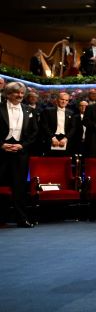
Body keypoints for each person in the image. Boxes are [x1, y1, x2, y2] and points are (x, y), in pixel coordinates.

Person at [0, 82, 38, 228]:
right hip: (1, 152)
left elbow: (34, 132)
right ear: (8, 94)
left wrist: (22, 145)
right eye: (17, 92)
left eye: (22, 93)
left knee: (19, 187)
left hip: (20, 153)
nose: (20, 95)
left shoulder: (29, 110)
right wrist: (1, 145)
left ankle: (22, 219)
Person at [39, 92, 76, 156]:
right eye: (62, 99)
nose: (64, 101)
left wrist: (66, 139)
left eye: (66, 100)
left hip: (65, 139)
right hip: (51, 138)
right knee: (51, 162)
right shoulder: (48, 111)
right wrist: (52, 138)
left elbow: (73, 128)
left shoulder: (71, 113)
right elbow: (44, 125)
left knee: (64, 161)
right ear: (57, 99)